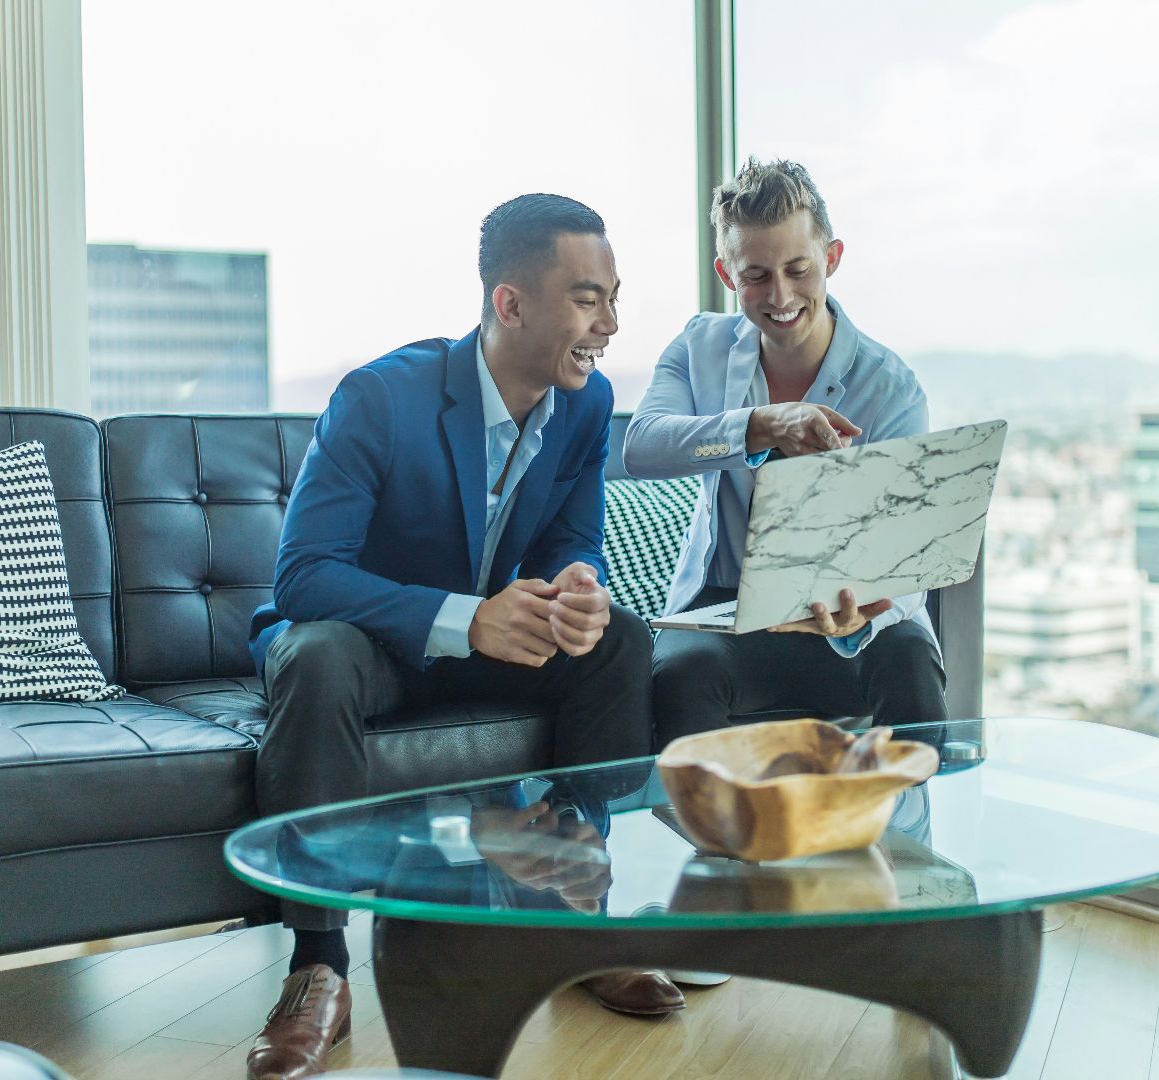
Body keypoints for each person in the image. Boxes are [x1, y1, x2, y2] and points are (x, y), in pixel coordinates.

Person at [242, 194, 672, 1080]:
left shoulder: (587, 408)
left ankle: (572, 900)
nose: (611, 324)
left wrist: (579, 583)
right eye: (589, 299)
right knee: (314, 657)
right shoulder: (380, 397)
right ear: (510, 304)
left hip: (493, 646)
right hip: (371, 648)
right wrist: (464, 617)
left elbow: (571, 538)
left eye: (614, 297)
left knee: (618, 640)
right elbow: (304, 577)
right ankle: (318, 967)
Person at [624, 158, 951, 750]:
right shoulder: (698, 347)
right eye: (756, 276)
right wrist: (759, 426)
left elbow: (908, 557)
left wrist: (864, 612)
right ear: (726, 273)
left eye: (799, 269)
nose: (780, 296)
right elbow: (642, 446)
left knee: (908, 659)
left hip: (848, 613)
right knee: (679, 674)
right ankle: (710, 842)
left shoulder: (891, 387)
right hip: (724, 610)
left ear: (833, 257)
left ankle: (909, 839)